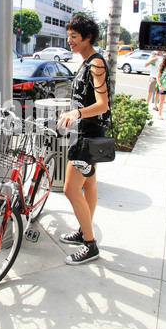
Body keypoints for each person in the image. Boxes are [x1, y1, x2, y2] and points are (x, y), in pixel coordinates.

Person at [57, 14, 111, 265]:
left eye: (75, 37)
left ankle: (90, 246)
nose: (70, 41)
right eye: (69, 36)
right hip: (86, 133)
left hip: (87, 136)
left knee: (70, 189)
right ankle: (84, 229)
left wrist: (76, 113)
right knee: (88, 186)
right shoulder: (87, 61)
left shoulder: (95, 63)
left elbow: (102, 105)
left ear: (88, 37)